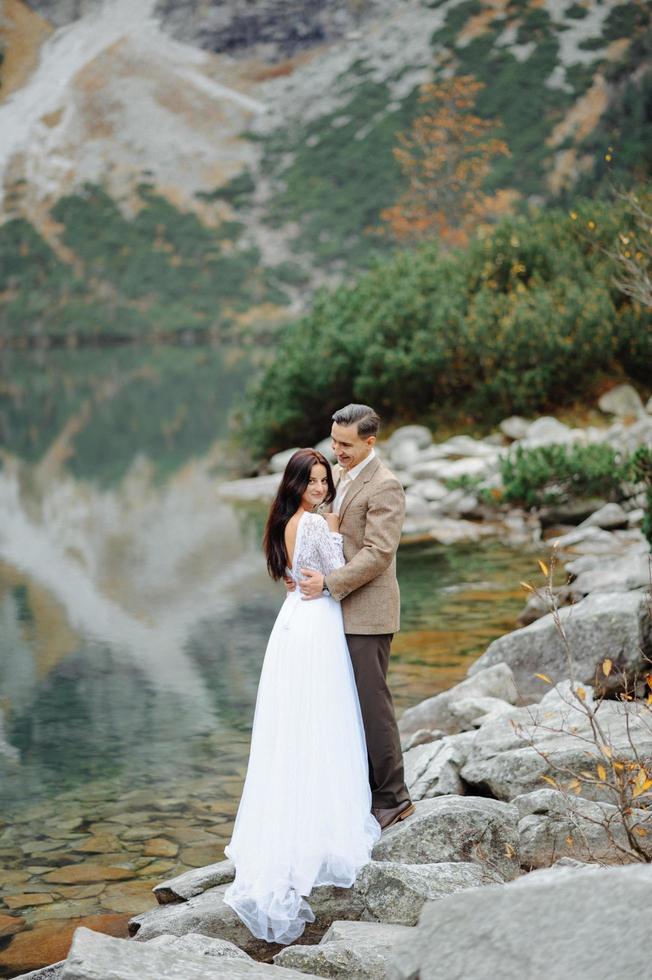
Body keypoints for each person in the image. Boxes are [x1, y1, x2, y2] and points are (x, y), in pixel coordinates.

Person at [222, 448, 381, 945]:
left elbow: (299, 576)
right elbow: (335, 573)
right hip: (315, 625)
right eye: (311, 481)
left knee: (295, 722)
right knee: (325, 718)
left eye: (323, 478)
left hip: (292, 622)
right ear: (295, 484)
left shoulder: (286, 521)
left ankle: (297, 823)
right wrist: (334, 527)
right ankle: (324, 829)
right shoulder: (311, 523)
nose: (320, 487)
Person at [297, 404, 414, 831]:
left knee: (372, 705)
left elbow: (379, 554)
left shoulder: (386, 485)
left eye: (345, 445)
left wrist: (328, 583)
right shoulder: (344, 477)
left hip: (369, 613)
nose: (336, 451)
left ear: (370, 442)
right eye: (334, 442)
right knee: (348, 705)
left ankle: (394, 797)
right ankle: (364, 791)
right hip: (341, 611)